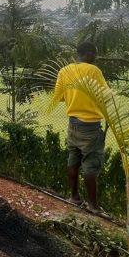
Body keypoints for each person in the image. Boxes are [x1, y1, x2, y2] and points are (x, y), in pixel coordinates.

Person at [51, 41, 108, 213]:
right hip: (90, 126)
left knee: (73, 159)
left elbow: (59, 97)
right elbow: (105, 95)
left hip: (73, 123)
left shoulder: (64, 71)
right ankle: (93, 206)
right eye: (95, 53)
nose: (96, 57)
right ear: (89, 53)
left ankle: (74, 197)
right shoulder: (93, 70)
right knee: (91, 164)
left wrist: (74, 97)